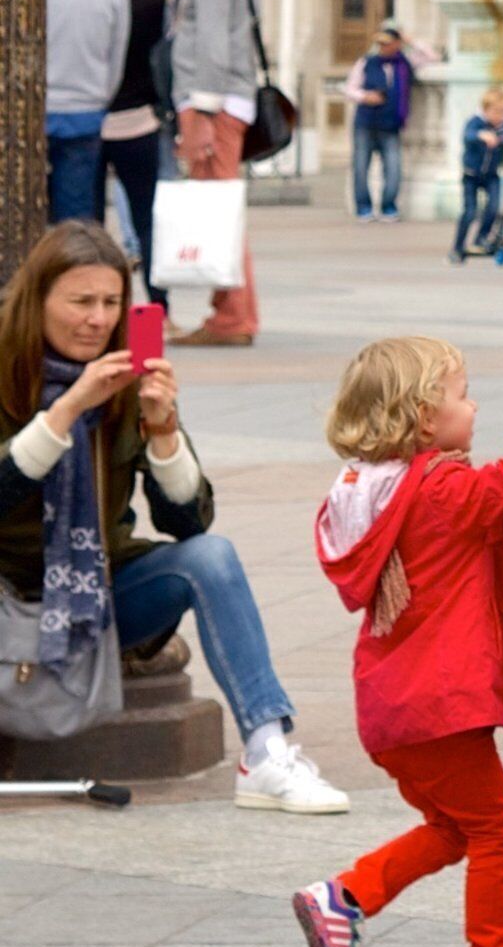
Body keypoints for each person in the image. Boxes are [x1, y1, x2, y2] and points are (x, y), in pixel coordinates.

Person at [0, 221, 343, 809]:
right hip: (8, 593)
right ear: (39, 301)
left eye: (111, 303)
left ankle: (265, 752)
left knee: (210, 558)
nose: (97, 319)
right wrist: (66, 412)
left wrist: (162, 430)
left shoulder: (126, 376)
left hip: (94, 597)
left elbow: (190, 523)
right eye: (80, 302)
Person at [289, 337, 503, 947]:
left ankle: (345, 897)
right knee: (496, 827)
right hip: (440, 706)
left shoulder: (374, 491)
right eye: (462, 393)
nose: (474, 404)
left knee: (454, 827)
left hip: (393, 709)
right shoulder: (437, 488)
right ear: (423, 417)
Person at [162, 0, 263, 347]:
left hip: (215, 101)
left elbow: (212, 41)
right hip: (224, 98)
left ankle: (232, 316)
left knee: (220, 206)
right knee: (222, 205)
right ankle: (230, 311)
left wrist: (201, 113)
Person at [96, 0, 170, 296]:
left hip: (92, 120)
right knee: (146, 219)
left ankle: (90, 296)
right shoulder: (154, 4)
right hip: (139, 120)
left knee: (89, 226)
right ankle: (160, 306)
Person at [44, 0, 125, 227]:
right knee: (75, 218)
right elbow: (116, 53)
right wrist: (99, 96)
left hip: (30, 109)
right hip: (85, 108)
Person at [346, 25, 417, 223]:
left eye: (387, 43)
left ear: (397, 44)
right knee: (360, 167)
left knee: (394, 168)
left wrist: (410, 41)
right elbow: (350, 88)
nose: (383, 47)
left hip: (391, 124)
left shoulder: (404, 65)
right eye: (381, 44)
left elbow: (432, 57)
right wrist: (365, 96)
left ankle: (389, 206)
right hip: (366, 123)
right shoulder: (366, 62)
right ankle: (364, 207)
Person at [455, 89, 503, 266]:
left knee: (494, 207)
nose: (499, 116)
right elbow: (468, 135)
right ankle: (457, 246)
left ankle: (481, 238)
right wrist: (482, 135)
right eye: (495, 112)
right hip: (471, 175)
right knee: (470, 212)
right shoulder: (475, 122)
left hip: (492, 175)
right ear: (485, 110)